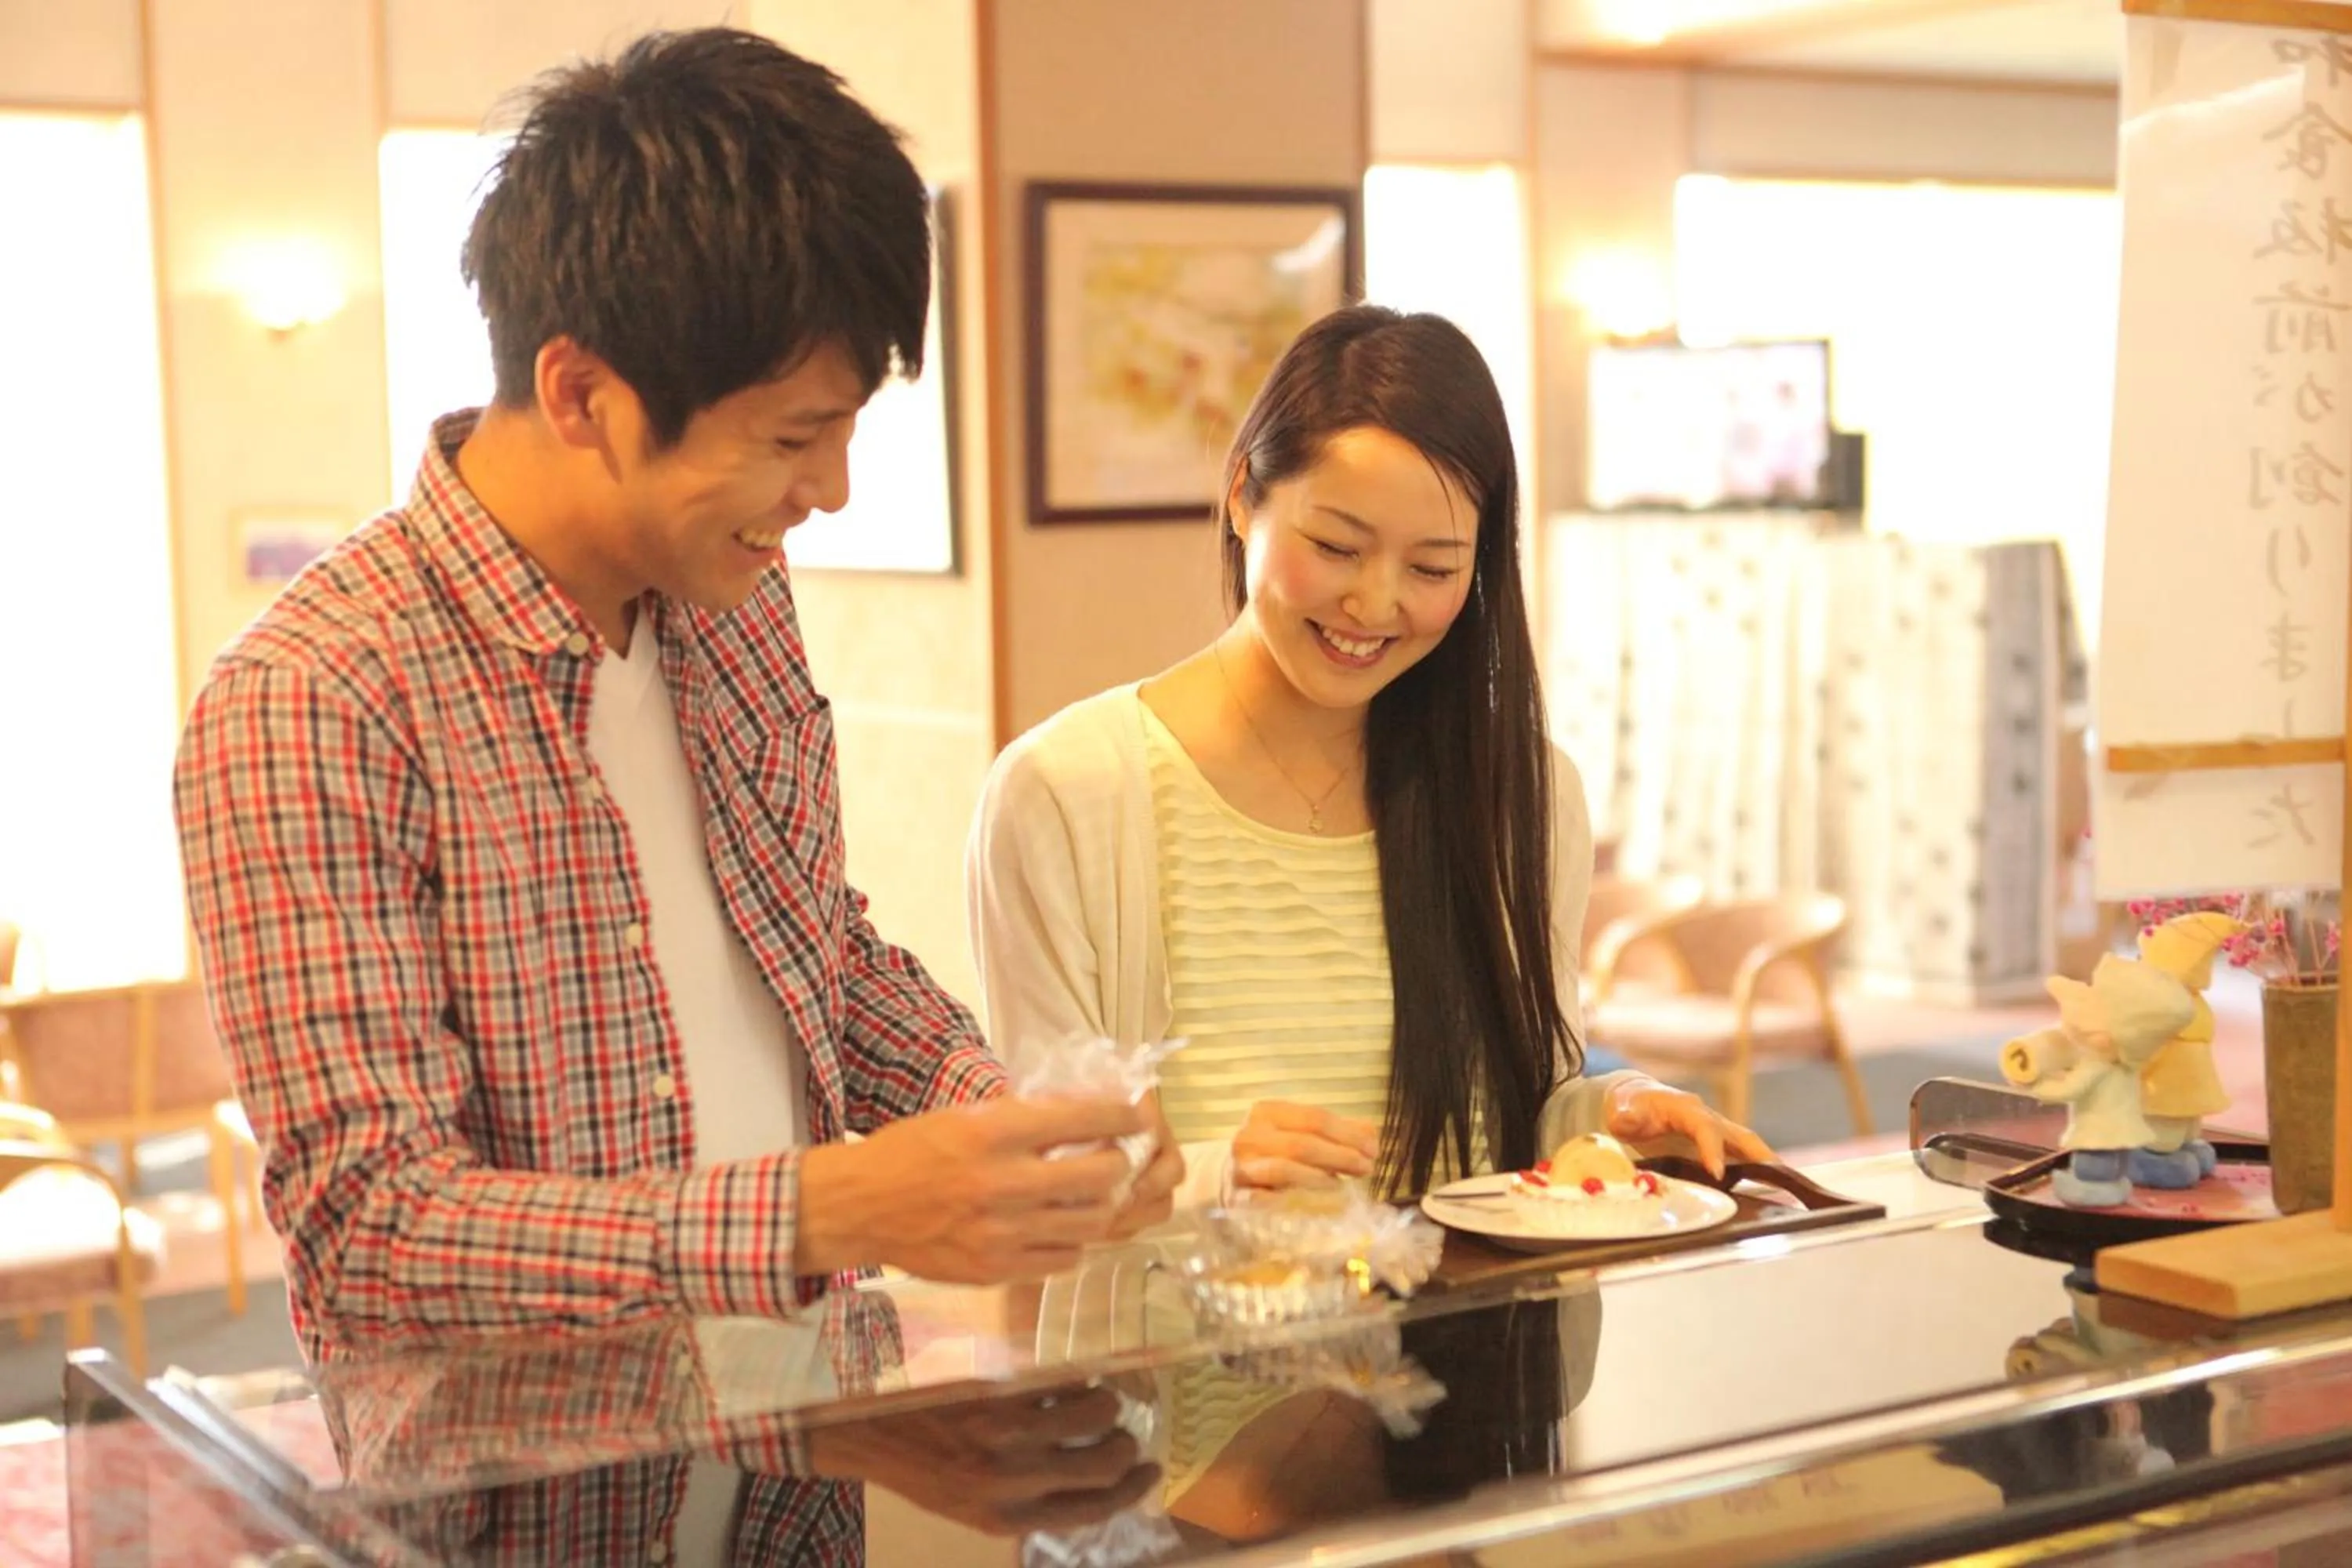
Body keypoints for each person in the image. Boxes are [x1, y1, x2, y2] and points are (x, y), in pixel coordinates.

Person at [174, 27, 1174, 1561]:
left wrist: (1016, 1133)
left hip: (793, 1483)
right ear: (579, 390)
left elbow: (814, 957)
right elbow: (374, 1233)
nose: (830, 489)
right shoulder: (316, 697)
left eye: (846, 429)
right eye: (792, 436)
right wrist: (834, 1208)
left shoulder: (733, 603)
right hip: (506, 1519)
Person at [967, 305, 1768, 1206]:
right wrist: (1220, 1174)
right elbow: (1054, 1176)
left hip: (1471, 1342)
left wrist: (1611, 1109)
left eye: (1431, 569)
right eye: (1336, 546)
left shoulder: (1519, 792)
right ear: (1242, 495)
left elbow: (1511, 1116)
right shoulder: (1069, 794)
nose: (1374, 603)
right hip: (1177, 1344)